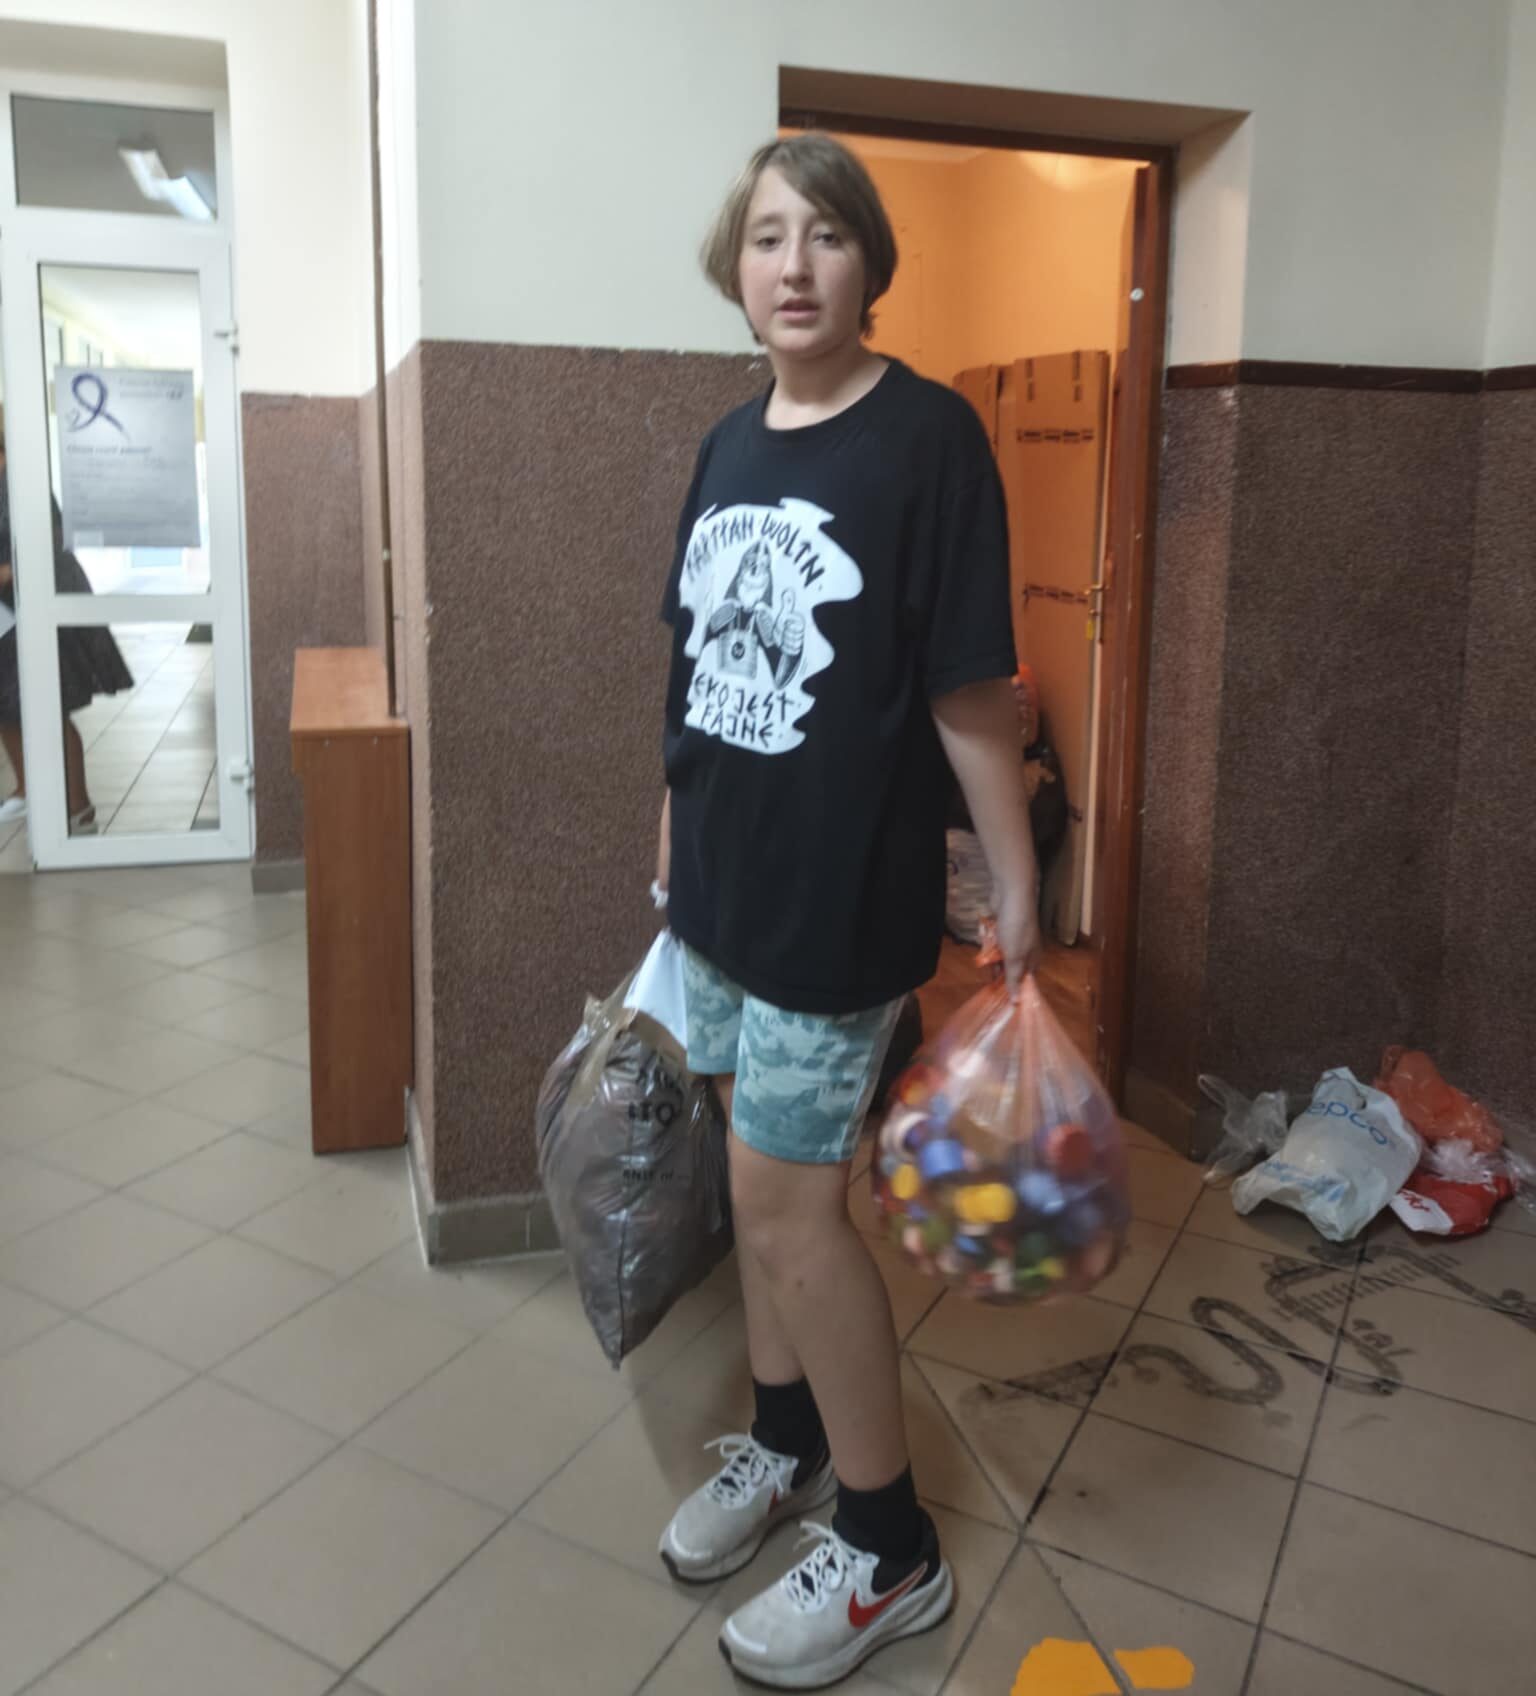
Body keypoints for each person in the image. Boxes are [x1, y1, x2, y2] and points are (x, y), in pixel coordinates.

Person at [653, 133, 1042, 1690]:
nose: (794, 265)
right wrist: (670, 843)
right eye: (767, 237)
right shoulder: (727, 444)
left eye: (824, 234)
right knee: (754, 1189)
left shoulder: (927, 439)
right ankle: (789, 1441)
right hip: (722, 890)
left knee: (790, 1209)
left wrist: (1013, 875)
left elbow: (967, 681)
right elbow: (691, 671)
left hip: (840, 898)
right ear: (734, 268)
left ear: (871, 260)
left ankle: (891, 1551)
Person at [0, 432, 133, 833]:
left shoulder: (22, 482)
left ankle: (79, 808)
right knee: (5, 705)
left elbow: (49, 543)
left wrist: (8, 571)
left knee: (49, 707)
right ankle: (26, 790)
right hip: (5, 615)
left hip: (40, 603)